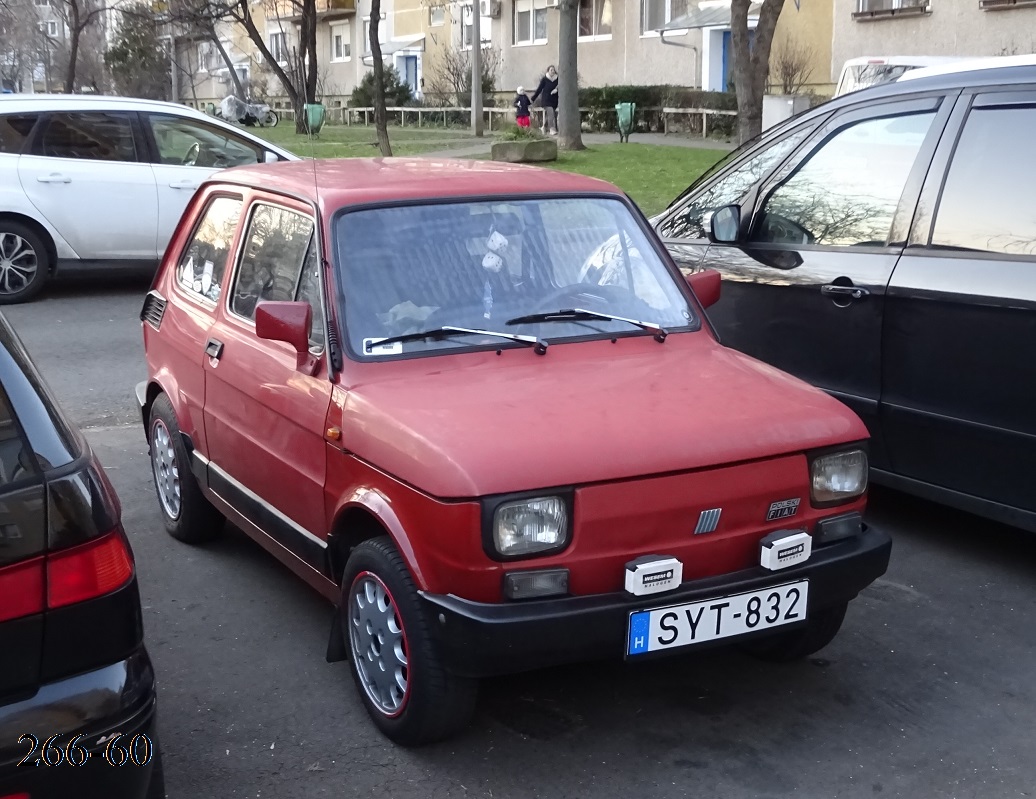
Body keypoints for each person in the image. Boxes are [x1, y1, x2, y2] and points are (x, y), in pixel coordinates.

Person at [531, 65, 559, 135]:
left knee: (551, 115)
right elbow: (539, 89)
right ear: (548, 71)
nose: (552, 71)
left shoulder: (557, 79)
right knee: (551, 113)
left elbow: (561, 86)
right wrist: (533, 98)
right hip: (546, 100)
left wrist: (556, 89)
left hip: (554, 100)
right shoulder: (545, 79)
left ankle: (543, 127)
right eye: (551, 70)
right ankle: (551, 129)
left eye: (553, 70)